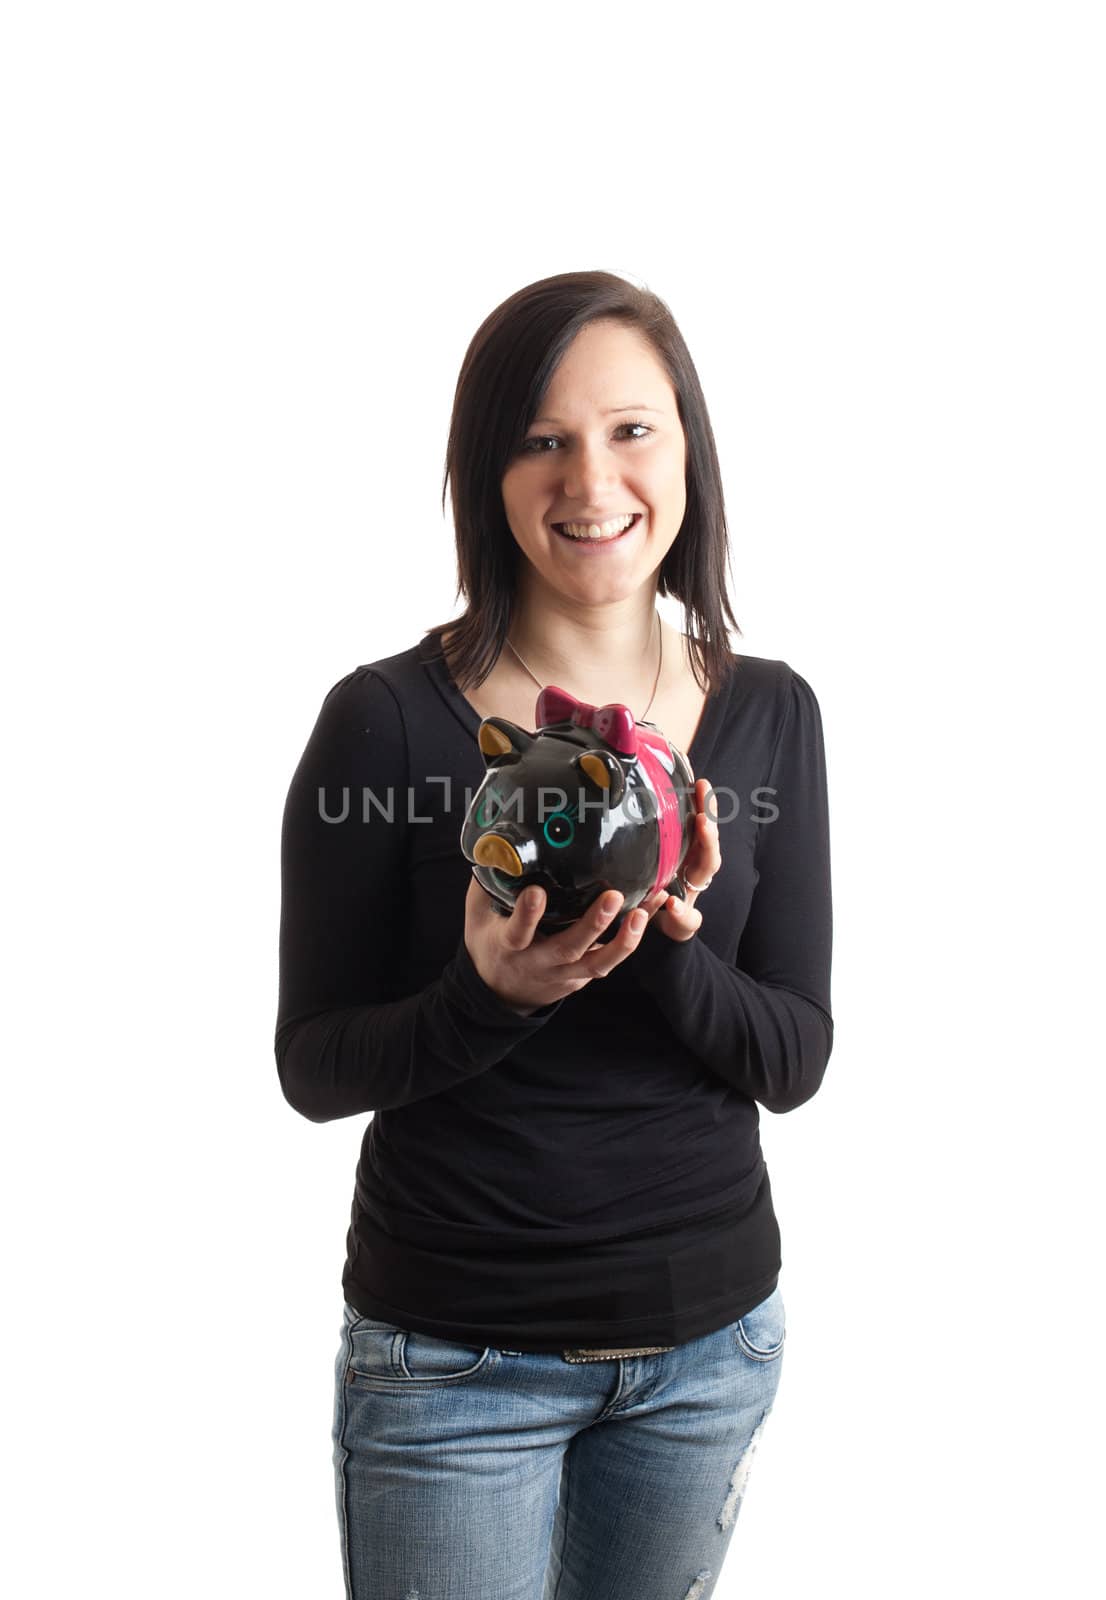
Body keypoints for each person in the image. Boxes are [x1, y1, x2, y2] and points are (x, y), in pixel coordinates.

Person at [274, 270, 834, 1599]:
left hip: (707, 1356)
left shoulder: (768, 715)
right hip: (453, 1365)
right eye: (542, 437)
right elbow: (313, 1068)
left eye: (630, 429)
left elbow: (795, 1056)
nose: (592, 479)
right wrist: (485, 991)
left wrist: (674, 951)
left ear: (686, 448)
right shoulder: (386, 721)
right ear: (488, 471)